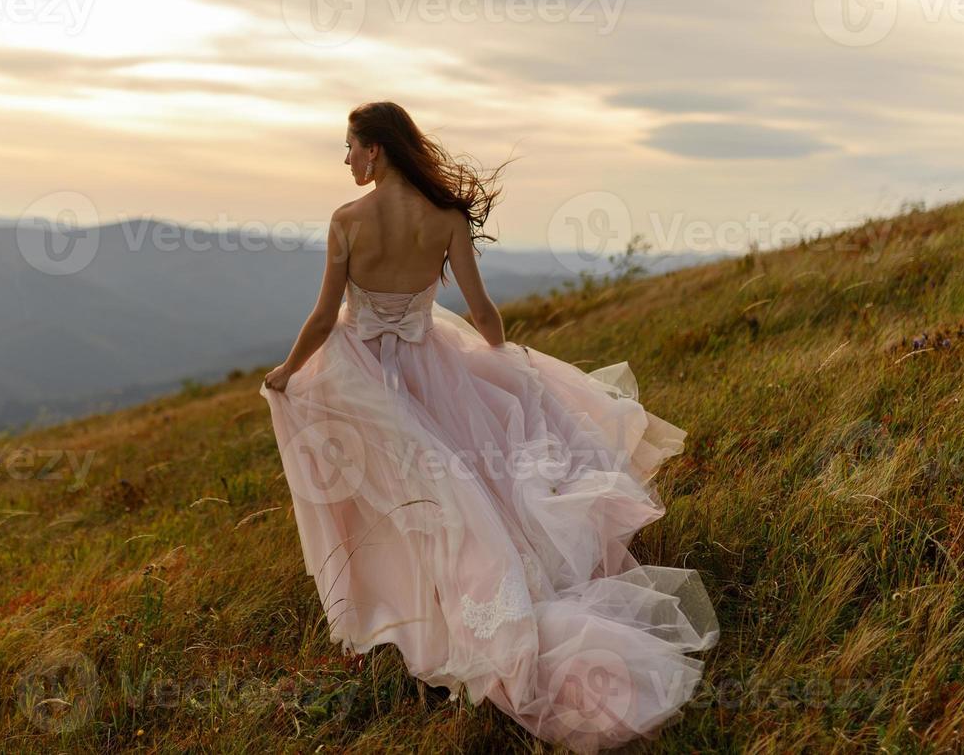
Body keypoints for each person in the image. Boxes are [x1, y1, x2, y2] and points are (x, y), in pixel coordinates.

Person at [259, 100, 718, 752]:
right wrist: (507, 358)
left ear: (376, 150)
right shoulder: (446, 218)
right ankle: (477, 611)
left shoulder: (347, 221)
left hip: (369, 385)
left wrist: (285, 372)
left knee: (410, 505)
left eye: (350, 146)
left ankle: (450, 627)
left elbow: (320, 319)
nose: (346, 158)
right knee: (472, 495)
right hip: (437, 373)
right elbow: (481, 311)